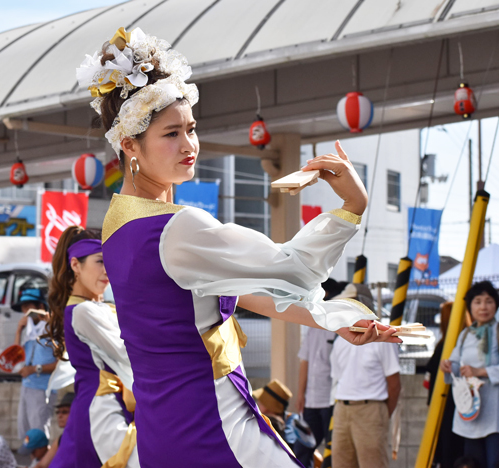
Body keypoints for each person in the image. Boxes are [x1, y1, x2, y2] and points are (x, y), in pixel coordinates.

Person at [88, 26, 399, 467]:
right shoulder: (176, 229)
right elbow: (292, 270)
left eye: (191, 129)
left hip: (164, 434)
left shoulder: (117, 228)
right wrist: (353, 205)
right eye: (171, 134)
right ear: (129, 145)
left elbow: (251, 293)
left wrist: (334, 319)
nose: (189, 145)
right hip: (214, 426)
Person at [44, 226, 137, 468]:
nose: (108, 270)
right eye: (100, 262)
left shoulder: (102, 307)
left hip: (114, 402)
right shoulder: (82, 311)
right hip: (101, 409)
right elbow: (131, 354)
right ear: (75, 265)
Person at [330, 283, 401, 468]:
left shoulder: (383, 338)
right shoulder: (341, 339)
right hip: (342, 409)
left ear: (363, 305)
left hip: (371, 409)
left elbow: (395, 385)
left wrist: (382, 415)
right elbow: (338, 378)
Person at [440, 281, 499, 468]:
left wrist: (481, 371)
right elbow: (455, 364)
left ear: (496, 304)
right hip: (471, 414)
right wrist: (448, 366)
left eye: (488, 301)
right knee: (472, 463)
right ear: (470, 306)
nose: (483, 307)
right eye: (477, 302)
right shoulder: (465, 335)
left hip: (498, 417)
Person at [293, 279, 344, 467]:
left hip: (330, 400)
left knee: (331, 450)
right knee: (302, 449)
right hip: (311, 401)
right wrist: (301, 394)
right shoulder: (312, 326)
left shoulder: (338, 327)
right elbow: (304, 361)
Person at [425, 301, 470, 467]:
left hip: (445, 408)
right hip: (469, 406)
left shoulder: (443, 347)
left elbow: (431, 380)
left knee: (448, 453)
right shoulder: (469, 343)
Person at [14, 288, 58, 440]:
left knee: (38, 436)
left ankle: (42, 463)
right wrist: (19, 330)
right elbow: (16, 356)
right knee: (25, 434)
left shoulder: (53, 329)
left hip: (43, 388)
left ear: (40, 307)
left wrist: (34, 369)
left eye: (28, 307)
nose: (26, 312)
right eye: (24, 308)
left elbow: (61, 364)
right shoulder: (30, 332)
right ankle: (33, 463)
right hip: (26, 386)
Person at [37, 392, 75, 468]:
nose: (59, 415)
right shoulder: (61, 439)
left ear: (76, 412)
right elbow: (42, 465)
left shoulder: (87, 437)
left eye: (64, 412)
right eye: (58, 412)